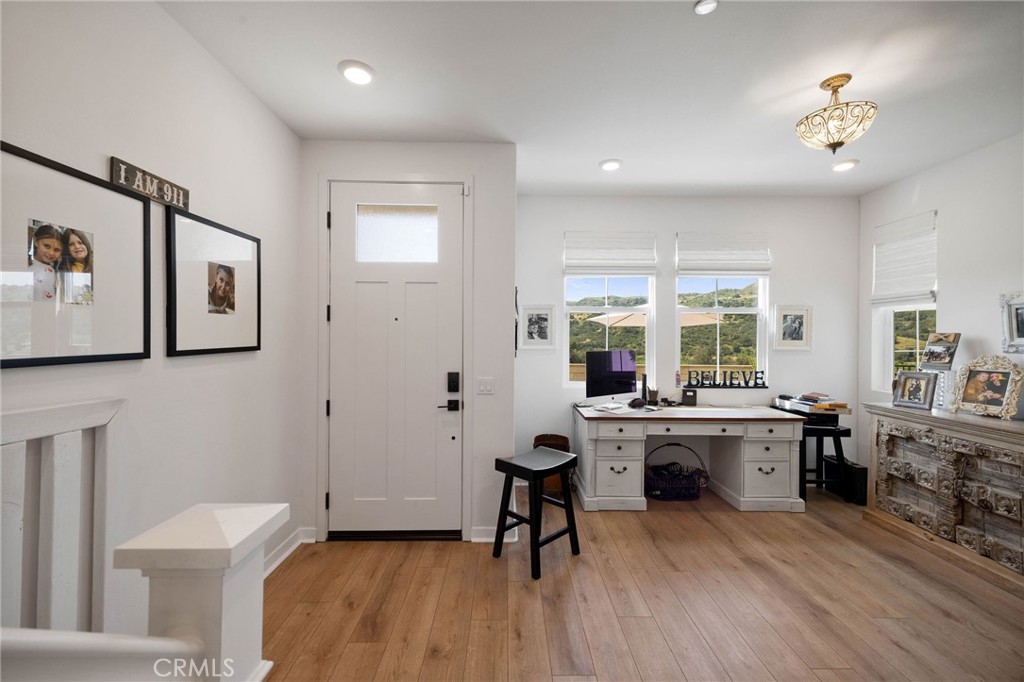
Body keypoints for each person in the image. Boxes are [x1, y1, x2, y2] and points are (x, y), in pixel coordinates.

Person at [60, 228, 94, 305]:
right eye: (71, 244)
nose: (77, 246)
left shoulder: (98, 265)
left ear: (86, 243)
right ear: (67, 249)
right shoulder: (64, 272)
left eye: (80, 242)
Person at [28, 224, 62, 302]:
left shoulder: (55, 271)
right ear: (36, 241)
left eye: (56, 250)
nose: (51, 253)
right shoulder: (27, 266)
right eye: (47, 246)